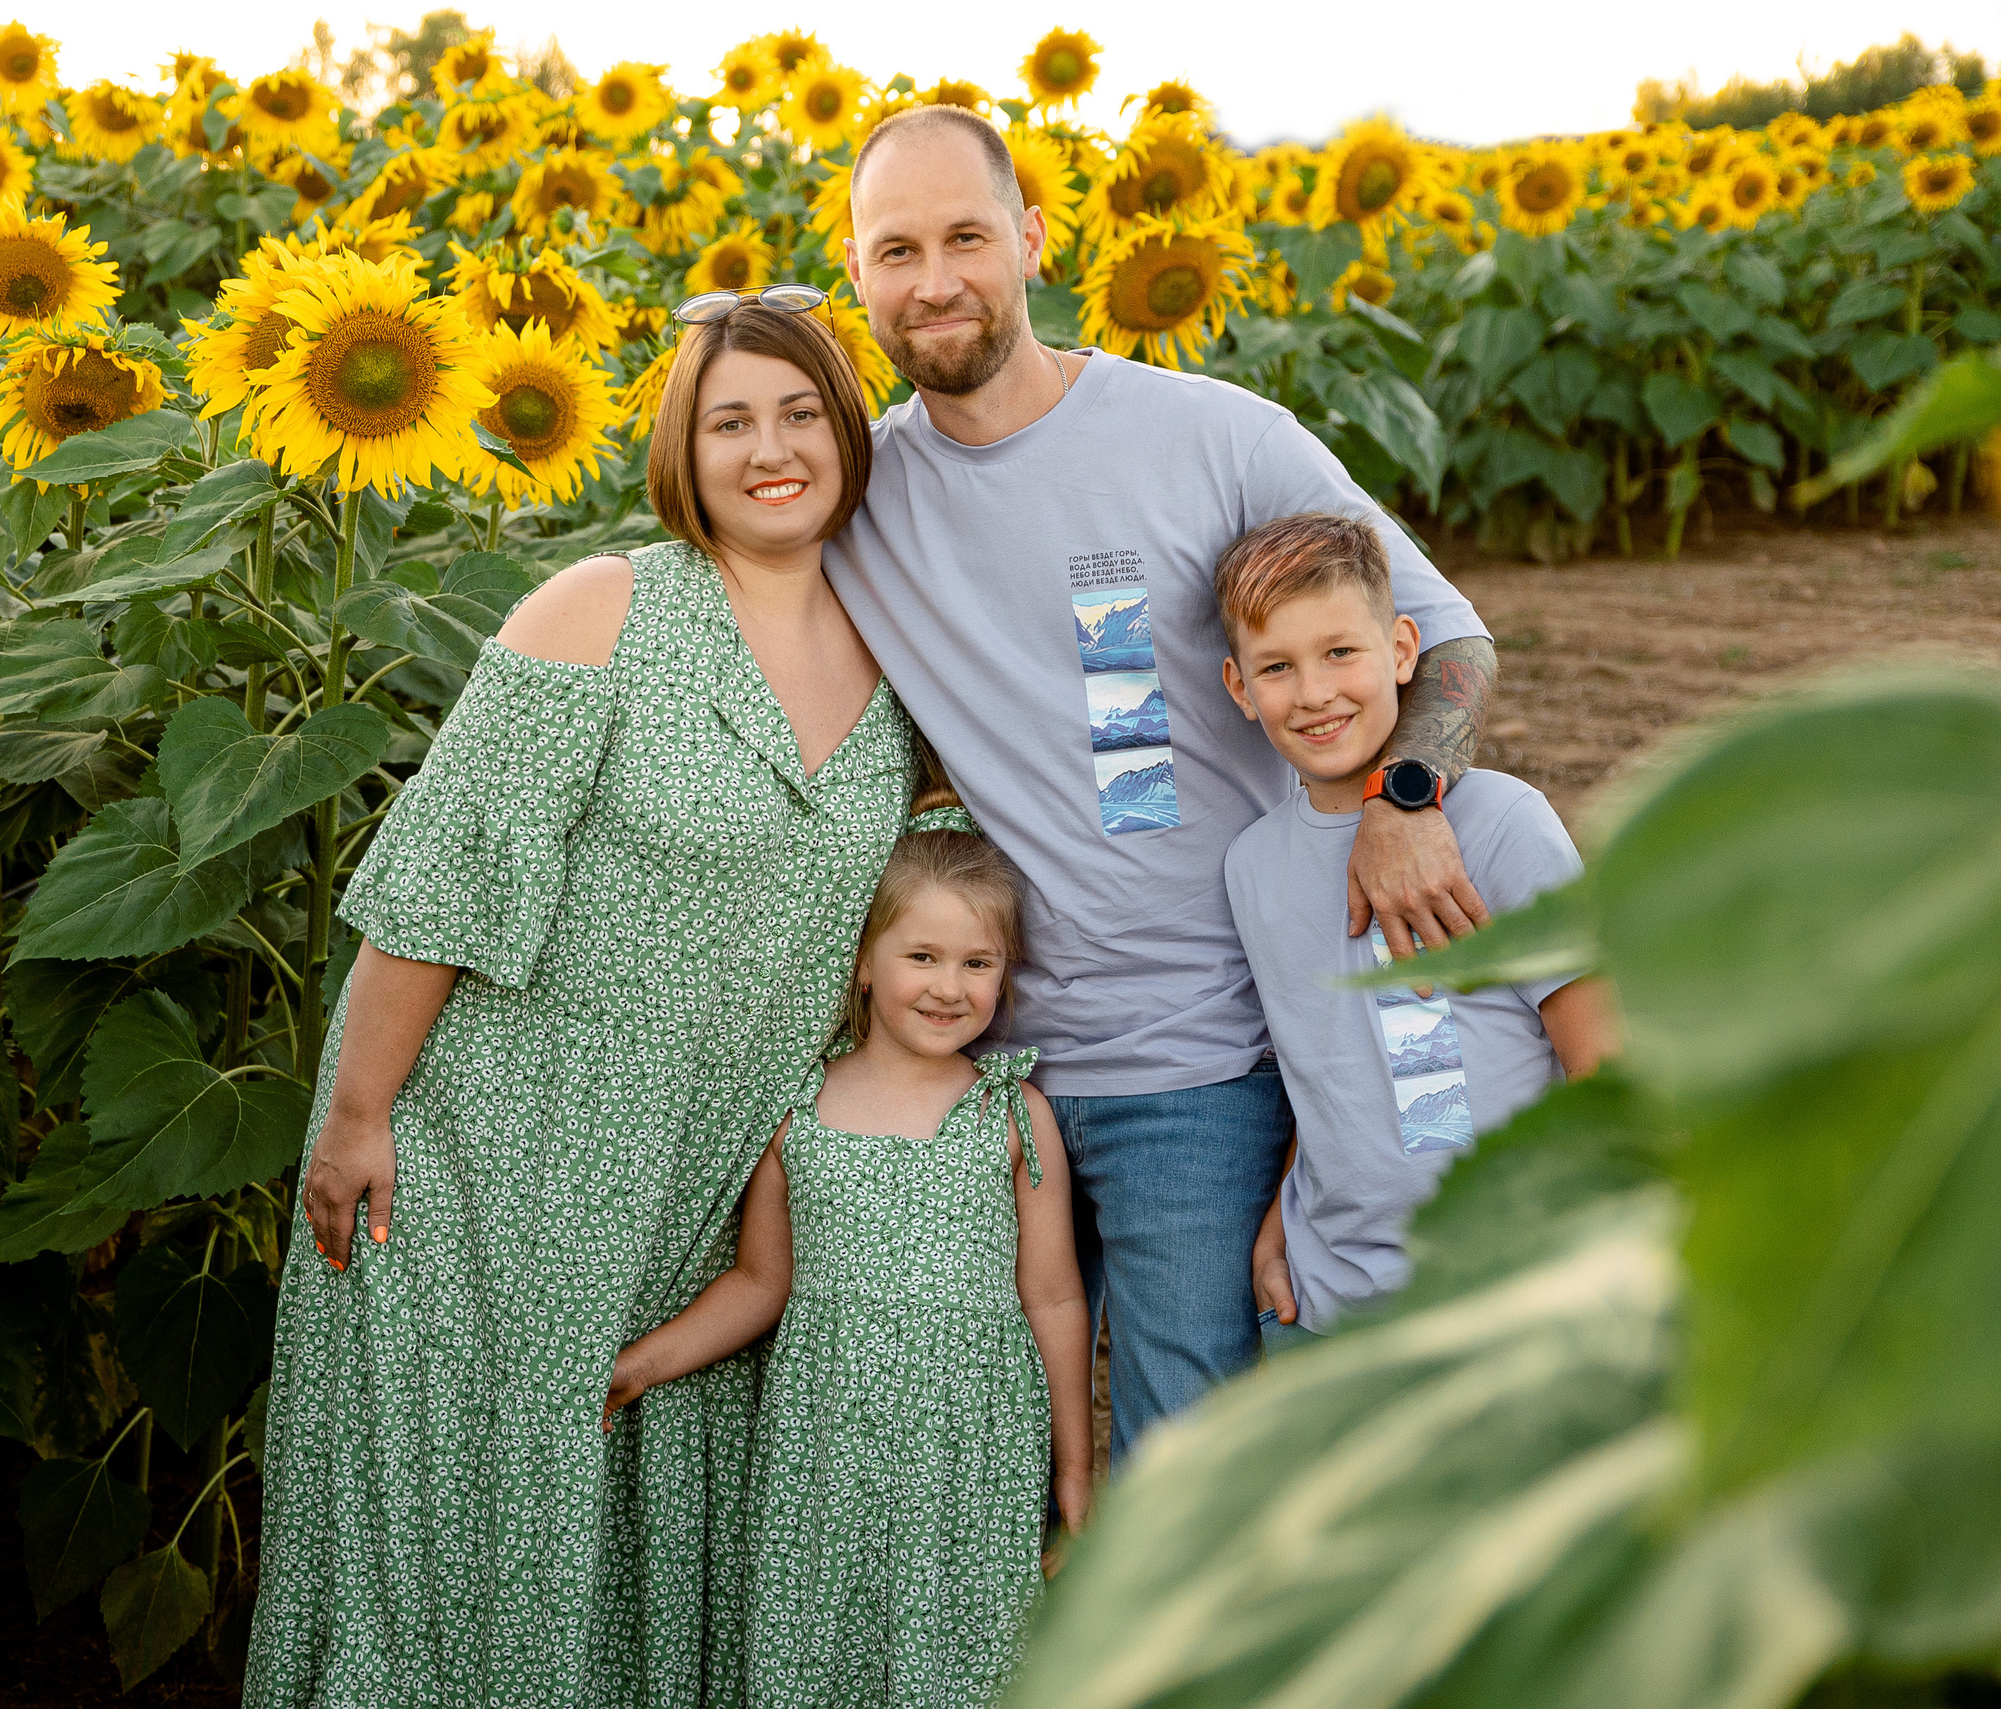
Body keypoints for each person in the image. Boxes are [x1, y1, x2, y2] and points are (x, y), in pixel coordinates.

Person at [247, 298, 943, 1709]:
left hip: (701, 1182)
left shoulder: (907, 654)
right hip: (496, 1159)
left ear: (850, 433)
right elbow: (439, 885)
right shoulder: (604, 610)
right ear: (681, 450)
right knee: (452, 1533)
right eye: (728, 420)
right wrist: (358, 1115)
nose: (770, 451)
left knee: (626, 1524)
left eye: (801, 414)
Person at [826, 104, 1500, 1453]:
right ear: (857, 275)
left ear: (1031, 237)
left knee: (1183, 1452)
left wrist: (1407, 804)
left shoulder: (1211, 438)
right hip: (975, 1062)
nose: (937, 280)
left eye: (966, 235)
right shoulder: (856, 496)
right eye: (897, 249)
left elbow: (1453, 641)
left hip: (1194, 1060)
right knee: (974, 1467)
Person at [602, 830, 1089, 1709]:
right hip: (825, 1453)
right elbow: (760, 1282)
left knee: (969, 1655)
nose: (950, 986)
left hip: (969, 1455)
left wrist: (1074, 1470)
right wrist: (643, 1362)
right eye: (923, 955)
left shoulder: (1013, 1113)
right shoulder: (798, 1106)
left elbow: (1052, 1295)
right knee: (821, 1655)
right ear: (864, 961)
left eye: (978, 961)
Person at [1211, 512, 1615, 1345]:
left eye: (1340, 653)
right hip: (1326, 1311)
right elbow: (1318, 1062)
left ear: (1402, 650)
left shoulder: (1501, 822)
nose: (1315, 692)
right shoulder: (1250, 868)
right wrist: (1284, 1218)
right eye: (1277, 667)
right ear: (1240, 689)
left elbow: (1604, 1059)